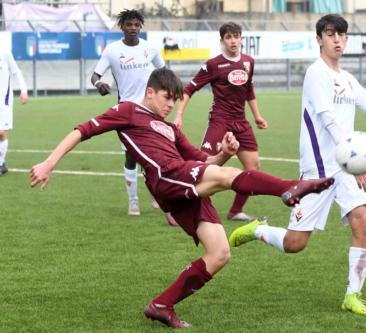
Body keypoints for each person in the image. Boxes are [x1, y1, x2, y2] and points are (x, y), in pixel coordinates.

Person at [30, 68, 334, 329]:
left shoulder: (171, 129)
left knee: (220, 253)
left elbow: (204, 161)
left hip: (184, 179)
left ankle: (162, 306)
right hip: (166, 177)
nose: (171, 104)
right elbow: (82, 131)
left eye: (175, 99)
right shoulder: (127, 111)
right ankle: (292, 186)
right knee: (226, 180)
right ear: (150, 93)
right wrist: (49, 163)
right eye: (167, 97)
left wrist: (224, 154)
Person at [229, 14, 366, 316]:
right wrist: (359, 163)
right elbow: (328, 120)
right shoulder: (316, 73)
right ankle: (259, 230)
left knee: (363, 219)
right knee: (295, 243)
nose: (337, 39)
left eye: (342, 34)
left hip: (345, 166)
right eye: (330, 34)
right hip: (318, 170)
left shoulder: (348, 78)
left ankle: (352, 295)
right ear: (319, 40)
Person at [173, 22, 268, 222]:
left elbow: (249, 90)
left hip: (241, 122)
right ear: (222, 41)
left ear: (242, 38)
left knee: (253, 167)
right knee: (202, 168)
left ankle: (235, 211)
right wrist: (179, 115)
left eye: (236, 36)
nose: (233, 40)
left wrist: (257, 116)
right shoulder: (213, 65)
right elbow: (189, 89)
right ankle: (181, 205)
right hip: (220, 121)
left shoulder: (249, 61)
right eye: (228, 37)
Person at [91, 9, 165, 216]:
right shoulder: (112, 50)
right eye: (128, 25)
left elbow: (163, 72)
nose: (132, 28)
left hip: (150, 110)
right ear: (121, 27)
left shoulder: (150, 48)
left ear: (140, 27)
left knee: (153, 155)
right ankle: (133, 200)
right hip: (126, 112)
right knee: (131, 157)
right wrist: (99, 85)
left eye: (136, 25)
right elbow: (95, 75)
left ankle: (154, 191)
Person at [0, 50, 29, 175]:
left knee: (1, 132)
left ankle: (1, 163)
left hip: (4, 99)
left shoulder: (5, 53)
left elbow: (16, 72)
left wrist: (24, 90)